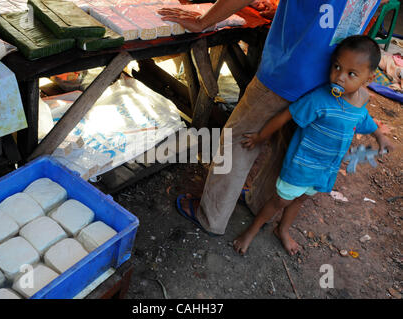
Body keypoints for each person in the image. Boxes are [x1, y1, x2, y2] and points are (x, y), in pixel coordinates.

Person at [159, 1, 383, 237]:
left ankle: (211, 216)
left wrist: (202, 22)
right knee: (286, 145)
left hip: (289, 70)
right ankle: (259, 205)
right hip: (330, 81)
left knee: (239, 140)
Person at [233, 35, 394, 255]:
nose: (339, 77)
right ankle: (251, 231)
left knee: (300, 200)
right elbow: (285, 116)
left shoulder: (359, 103)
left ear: (368, 78)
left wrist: (379, 136)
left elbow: (364, 120)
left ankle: (283, 229)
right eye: (337, 67)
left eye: (351, 74)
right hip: (301, 164)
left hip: (326, 169)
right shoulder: (319, 99)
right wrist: (260, 136)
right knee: (279, 200)